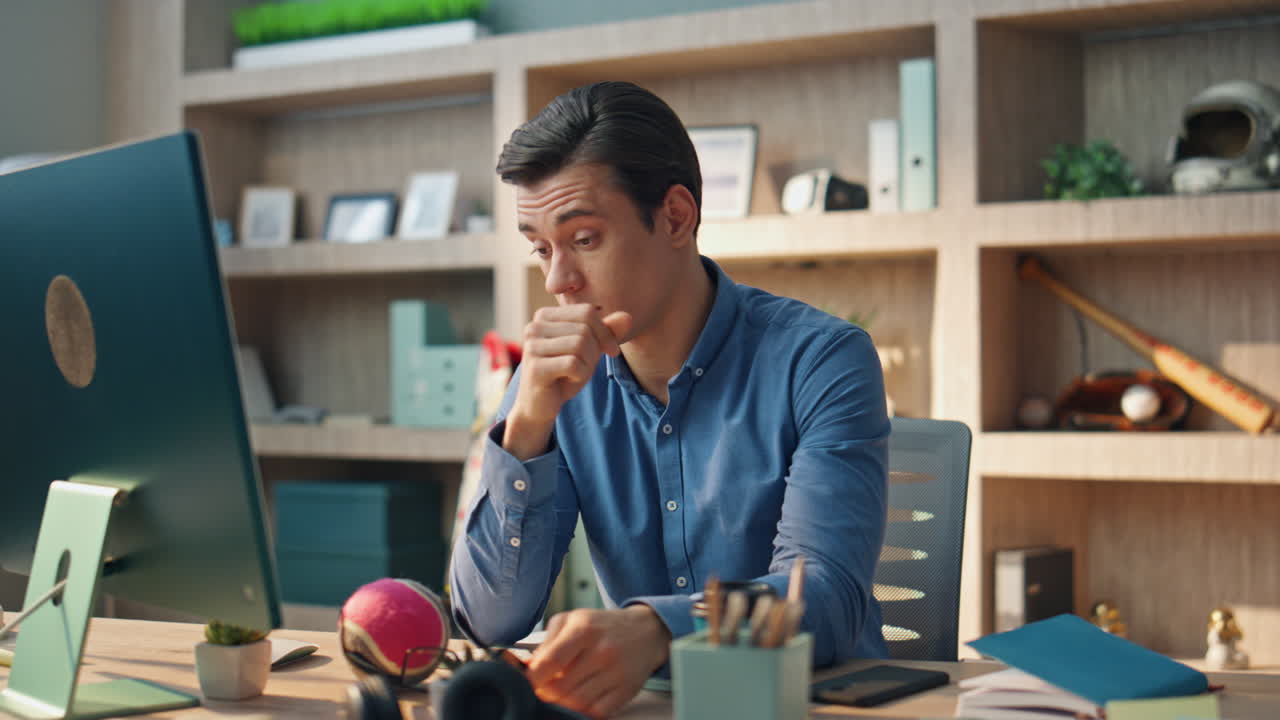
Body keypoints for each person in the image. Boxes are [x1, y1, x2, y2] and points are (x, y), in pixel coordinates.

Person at [449, 80, 890, 719]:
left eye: (584, 239)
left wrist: (657, 630)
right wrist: (528, 427)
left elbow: (822, 595)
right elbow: (488, 621)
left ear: (676, 217)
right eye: (541, 248)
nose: (557, 281)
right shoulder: (551, 382)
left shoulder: (822, 360)